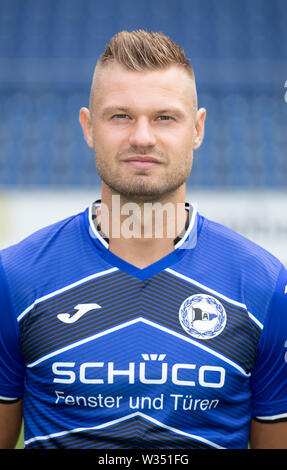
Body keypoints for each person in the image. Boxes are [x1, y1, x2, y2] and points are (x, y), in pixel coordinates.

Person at [0, 30, 286, 450]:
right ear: (88, 127)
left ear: (198, 129)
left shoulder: (265, 287)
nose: (143, 138)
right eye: (120, 116)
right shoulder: (15, 279)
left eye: (164, 118)